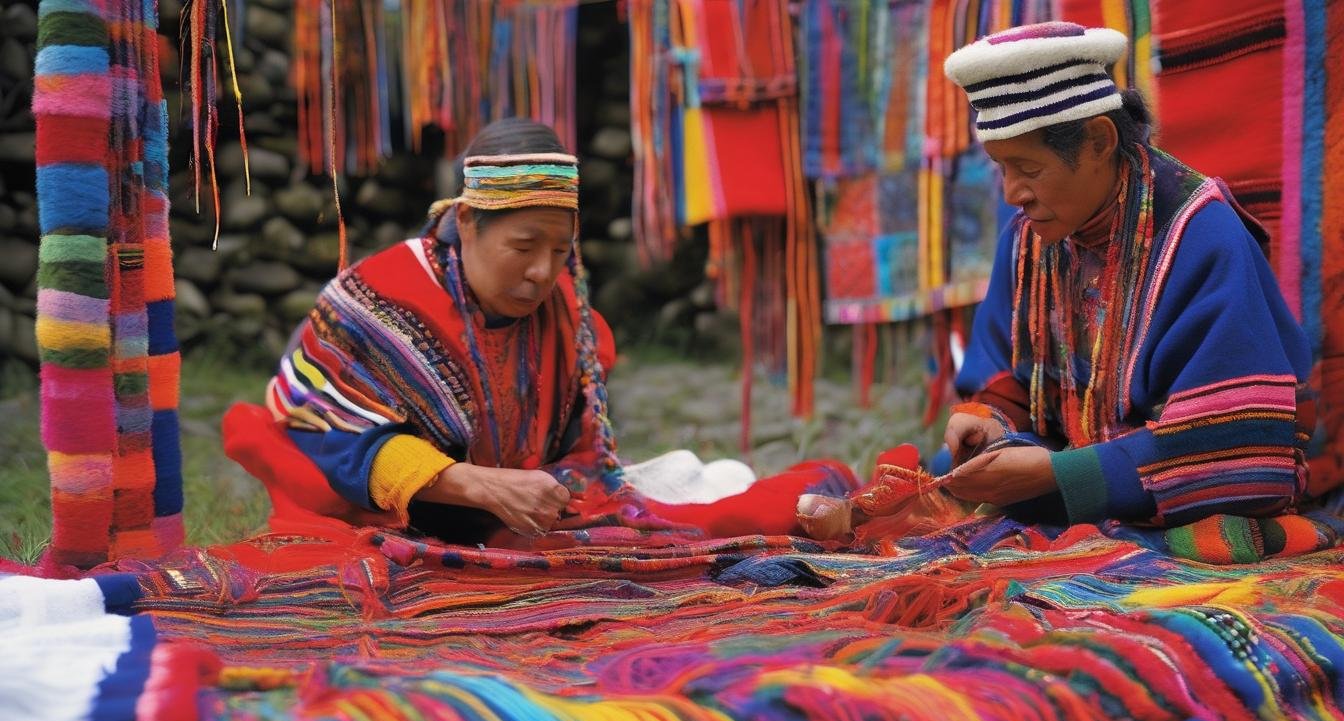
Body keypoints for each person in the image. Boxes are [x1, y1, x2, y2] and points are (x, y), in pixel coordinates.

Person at [225, 118, 855, 546]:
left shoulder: (566, 319)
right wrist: (477, 485)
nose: (541, 272)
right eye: (523, 246)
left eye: (559, 251)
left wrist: (553, 489)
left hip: (523, 508)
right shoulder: (377, 300)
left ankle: (810, 493)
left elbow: (584, 456)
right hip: (395, 508)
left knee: (672, 517)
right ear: (467, 223)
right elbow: (332, 434)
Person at [935, 21, 1318, 527]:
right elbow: (1005, 377)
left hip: (1172, 485)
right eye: (1000, 168)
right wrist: (987, 421)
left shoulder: (1200, 236)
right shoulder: (1028, 241)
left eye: (1028, 169)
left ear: (1098, 140)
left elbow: (1241, 448)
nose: (1012, 194)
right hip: (1062, 462)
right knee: (947, 469)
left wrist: (1061, 474)